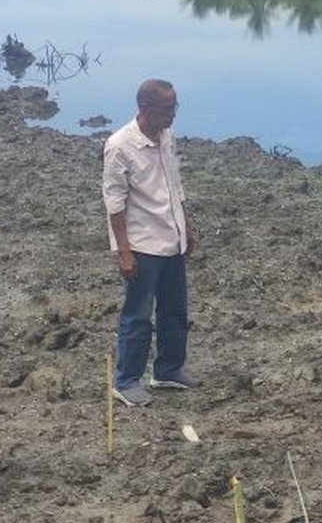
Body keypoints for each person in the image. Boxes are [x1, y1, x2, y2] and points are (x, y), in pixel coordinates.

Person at [102, 79, 199, 406]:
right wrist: (124, 252)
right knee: (138, 315)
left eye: (175, 107)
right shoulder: (120, 146)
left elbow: (174, 183)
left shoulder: (166, 135)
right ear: (146, 109)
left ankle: (168, 370)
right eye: (167, 109)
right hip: (143, 245)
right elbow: (114, 203)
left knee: (175, 310)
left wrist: (186, 226)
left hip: (172, 238)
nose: (173, 114)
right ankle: (126, 381)